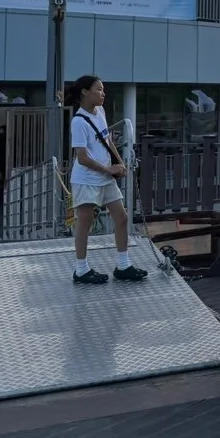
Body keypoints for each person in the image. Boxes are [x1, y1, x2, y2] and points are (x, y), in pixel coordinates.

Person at [66, 75, 145, 285]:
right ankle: (81, 270)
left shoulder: (99, 112)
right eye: (99, 89)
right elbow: (82, 157)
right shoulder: (78, 121)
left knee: (121, 217)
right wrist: (109, 169)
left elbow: (107, 138)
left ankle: (123, 265)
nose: (103, 94)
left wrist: (119, 163)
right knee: (85, 223)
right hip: (87, 180)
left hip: (105, 177)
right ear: (85, 92)